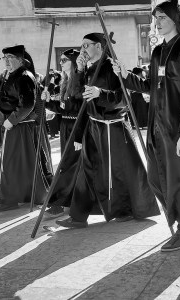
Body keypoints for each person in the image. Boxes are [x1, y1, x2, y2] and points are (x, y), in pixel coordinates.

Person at [114, 0, 180, 252]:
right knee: (157, 176)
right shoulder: (158, 52)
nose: (157, 23)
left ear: (174, 20)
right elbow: (150, 86)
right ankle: (178, 218)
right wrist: (125, 76)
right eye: (155, 18)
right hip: (157, 127)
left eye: (162, 18)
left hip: (179, 129)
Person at [55, 33, 159, 228]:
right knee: (85, 170)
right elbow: (77, 96)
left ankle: (124, 210)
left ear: (99, 47)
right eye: (82, 45)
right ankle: (78, 216)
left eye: (87, 45)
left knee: (117, 172)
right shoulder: (86, 69)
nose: (83, 49)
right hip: (92, 125)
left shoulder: (112, 67)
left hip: (113, 127)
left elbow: (123, 99)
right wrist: (77, 70)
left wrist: (100, 93)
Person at [0, 45, 48, 212]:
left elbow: (27, 104)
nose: (6, 61)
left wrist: (11, 121)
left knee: (10, 163)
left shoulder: (25, 76)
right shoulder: (12, 76)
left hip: (19, 126)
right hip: (17, 126)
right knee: (22, 163)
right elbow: (10, 99)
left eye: (10, 57)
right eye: (5, 58)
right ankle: (26, 194)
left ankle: (8, 200)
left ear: (21, 60)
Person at [41, 49, 83, 218]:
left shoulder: (79, 81)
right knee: (67, 164)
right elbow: (61, 109)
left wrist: (79, 136)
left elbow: (82, 111)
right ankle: (65, 202)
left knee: (71, 166)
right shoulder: (64, 81)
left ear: (73, 62)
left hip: (76, 127)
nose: (61, 62)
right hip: (66, 127)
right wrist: (49, 102)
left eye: (65, 60)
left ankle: (62, 203)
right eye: (60, 59)